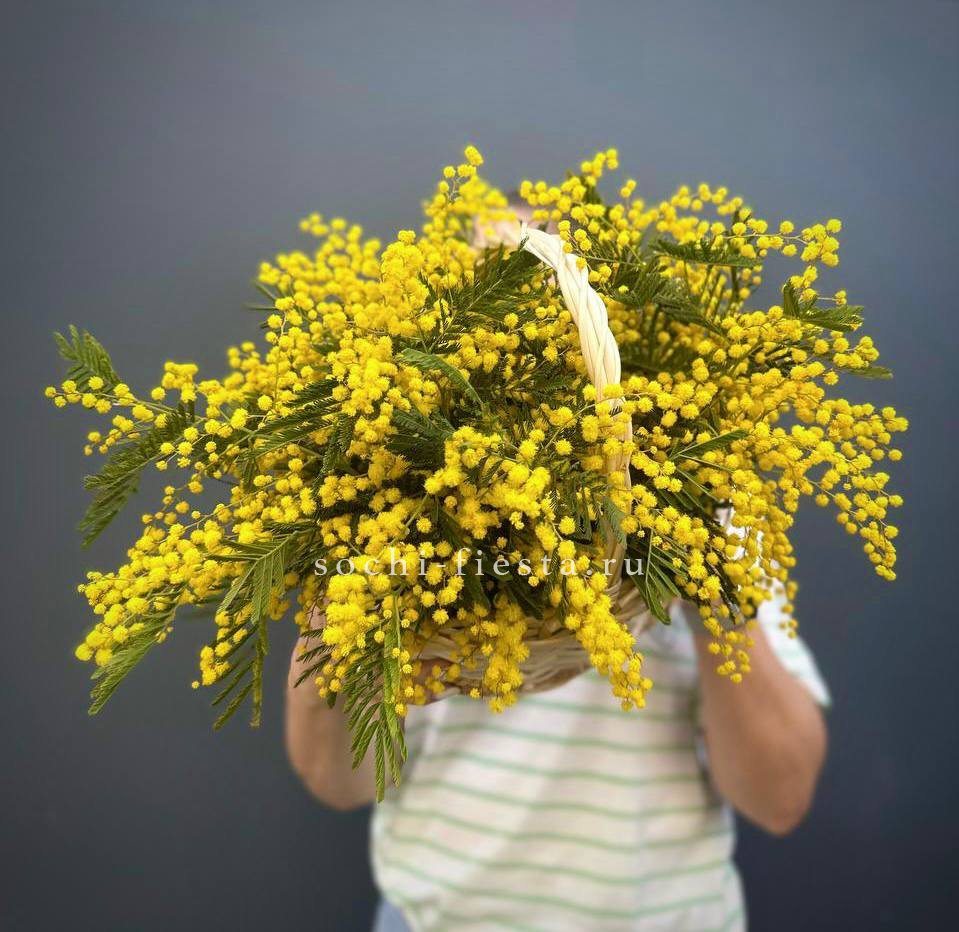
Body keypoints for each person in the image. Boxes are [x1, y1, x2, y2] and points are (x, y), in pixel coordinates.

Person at [286, 587, 828, 932]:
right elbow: (337, 781)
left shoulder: (716, 502)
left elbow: (780, 798)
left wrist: (717, 596)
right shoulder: (390, 520)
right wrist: (332, 641)